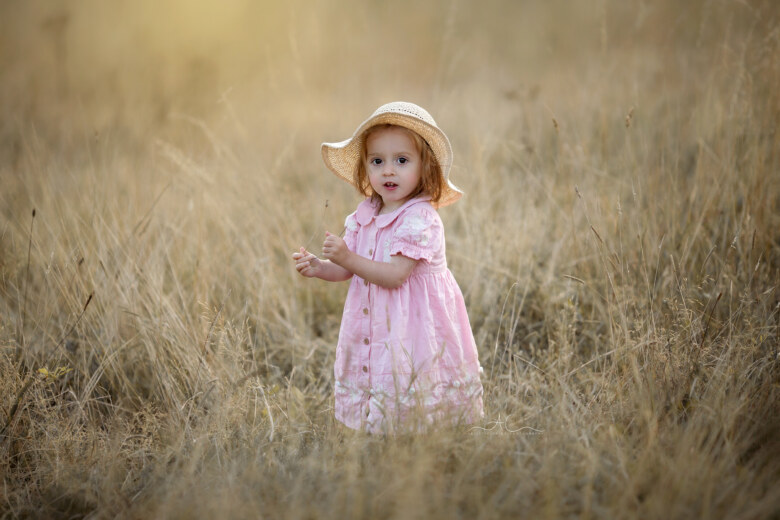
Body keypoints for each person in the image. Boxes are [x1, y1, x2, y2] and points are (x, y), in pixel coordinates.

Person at [292, 101, 484, 434]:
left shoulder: (420, 218)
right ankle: (377, 438)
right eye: (377, 161)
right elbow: (349, 270)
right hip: (376, 321)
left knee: (410, 381)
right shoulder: (366, 214)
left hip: (412, 325)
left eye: (402, 160)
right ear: (365, 167)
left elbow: (395, 276)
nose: (388, 171)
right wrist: (322, 267)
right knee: (379, 377)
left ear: (425, 167)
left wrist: (347, 258)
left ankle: (421, 443)